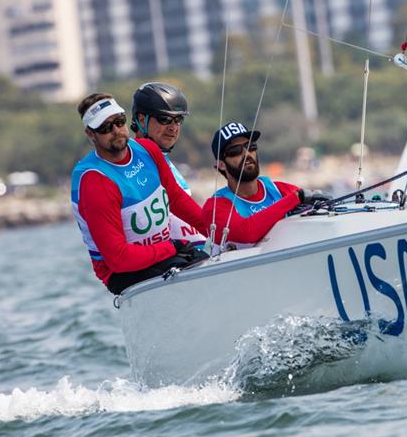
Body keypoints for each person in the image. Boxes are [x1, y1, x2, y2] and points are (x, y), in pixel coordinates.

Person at [71, 93, 208, 295]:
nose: (116, 131)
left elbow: (176, 198)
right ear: (91, 134)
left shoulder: (147, 149)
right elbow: (119, 259)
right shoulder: (96, 182)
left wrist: (219, 229)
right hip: (124, 272)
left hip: (162, 254)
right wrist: (170, 248)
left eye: (119, 122)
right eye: (105, 128)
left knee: (209, 259)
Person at [203, 121, 330, 250]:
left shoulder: (279, 190)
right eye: (235, 151)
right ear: (221, 165)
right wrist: (295, 198)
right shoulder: (214, 207)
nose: (247, 154)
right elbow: (247, 232)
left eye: (250, 146)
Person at [131, 81, 206, 248]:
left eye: (178, 120)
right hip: (174, 266)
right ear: (142, 120)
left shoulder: (163, 160)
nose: (173, 127)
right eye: (164, 119)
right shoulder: (135, 161)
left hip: (197, 258)